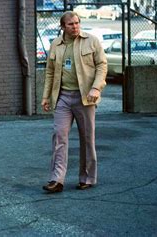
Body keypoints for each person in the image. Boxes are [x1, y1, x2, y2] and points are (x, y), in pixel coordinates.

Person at [41, 11, 107, 193]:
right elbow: (50, 72)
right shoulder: (56, 44)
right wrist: (46, 96)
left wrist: (96, 87)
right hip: (62, 97)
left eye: (77, 23)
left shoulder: (91, 41)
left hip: (85, 98)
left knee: (87, 138)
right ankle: (57, 179)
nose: (75, 26)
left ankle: (87, 178)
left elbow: (102, 65)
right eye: (71, 24)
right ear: (62, 26)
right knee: (59, 136)